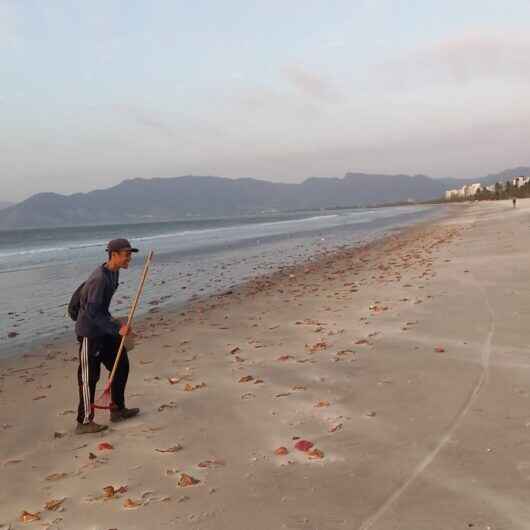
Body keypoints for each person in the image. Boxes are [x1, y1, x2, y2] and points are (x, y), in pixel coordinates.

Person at [74, 239, 140, 434]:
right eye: (127, 254)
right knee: (89, 378)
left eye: (130, 254)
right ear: (114, 255)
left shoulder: (114, 272)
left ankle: (117, 409)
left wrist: (116, 324)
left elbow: (101, 309)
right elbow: (93, 312)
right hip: (89, 333)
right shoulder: (100, 279)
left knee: (121, 365)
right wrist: (116, 328)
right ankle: (84, 422)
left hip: (104, 329)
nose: (130, 258)